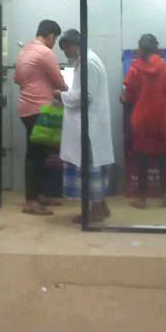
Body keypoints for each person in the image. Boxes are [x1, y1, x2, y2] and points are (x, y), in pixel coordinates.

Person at [55, 29, 114, 223]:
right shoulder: (89, 59)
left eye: (66, 48)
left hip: (89, 128)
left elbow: (85, 96)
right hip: (93, 124)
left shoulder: (87, 62)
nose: (65, 53)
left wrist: (60, 95)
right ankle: (101, 206)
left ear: (74, 45)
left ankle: (95, 210)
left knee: (89, 169)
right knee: (94, 166)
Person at [14, 20, 68, 216]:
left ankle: (38, 195)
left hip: (26, 109)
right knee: (36, 156)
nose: (55, 43)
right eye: (55, 38)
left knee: (40, 153)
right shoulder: (45, 52)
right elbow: (59, 82)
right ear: (51, 36)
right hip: (39, 110)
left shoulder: (24, 52)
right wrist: (69, 90)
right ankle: (31, 201)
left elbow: (17, 79)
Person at [121, 33, 166, 209]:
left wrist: (123, 99)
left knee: (142, 159)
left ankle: (142, 199)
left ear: (142, 49)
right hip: (162, 119)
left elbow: (129, 96)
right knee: (164, 158)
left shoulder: (134, 70)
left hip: (141, 119)